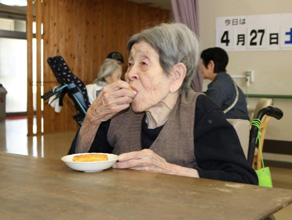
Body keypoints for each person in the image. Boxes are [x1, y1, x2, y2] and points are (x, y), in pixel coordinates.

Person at [69, 23, 257, 184]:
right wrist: (92, 118)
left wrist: (170, 170)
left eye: (143, 63)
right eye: (131, 63)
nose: (130, 74)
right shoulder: (119, 112)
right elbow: (80, 165)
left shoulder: (200, 112)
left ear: (175, 76)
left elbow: (243, 180)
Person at [201, 47, 249, 120]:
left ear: (211, 64)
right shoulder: (225, 80)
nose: (200, 68)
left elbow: (206, 111)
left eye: (201, 64)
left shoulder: (218, 86)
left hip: (231, 127)